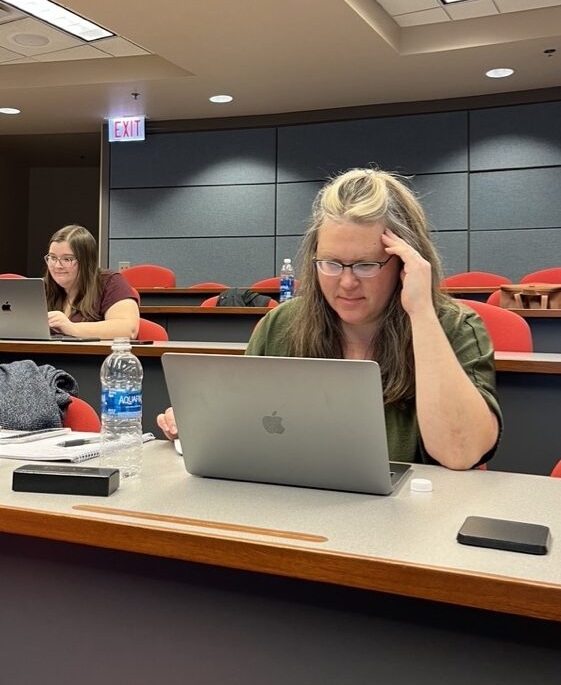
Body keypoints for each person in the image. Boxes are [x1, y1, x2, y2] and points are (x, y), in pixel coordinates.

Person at [158, 168, 501, 469]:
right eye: (331, 264)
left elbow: (460, 453)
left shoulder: (454, 326)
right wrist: (202, 423)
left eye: (366, 265)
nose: (347, 282)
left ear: (405, 263)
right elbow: (244, 423)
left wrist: (421, 312)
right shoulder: (282, 325)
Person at [44, 224, 140, 339]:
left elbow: (128, 329)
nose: (57, 266)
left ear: (86, 261)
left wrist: (71, 328)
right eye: (53, 258)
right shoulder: (44, 287)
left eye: (67, 259)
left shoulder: (110, 282)